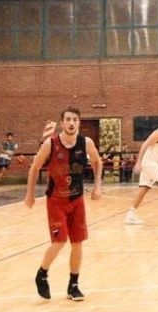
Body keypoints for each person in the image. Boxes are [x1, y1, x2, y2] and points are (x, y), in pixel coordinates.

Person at [24, 108, 103, 301]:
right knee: (60, 241)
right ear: (62, 123)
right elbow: (34, 168)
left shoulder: (86, 143)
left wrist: (97, 186)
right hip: (56, 201)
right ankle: (42, 274)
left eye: (75, 119)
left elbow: (97, 162)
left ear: (79, 122)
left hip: (77, 200)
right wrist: (29, 195)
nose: (71, 123)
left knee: (77, 243)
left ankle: (73, 285)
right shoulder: (50, 144)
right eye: (68, 119)